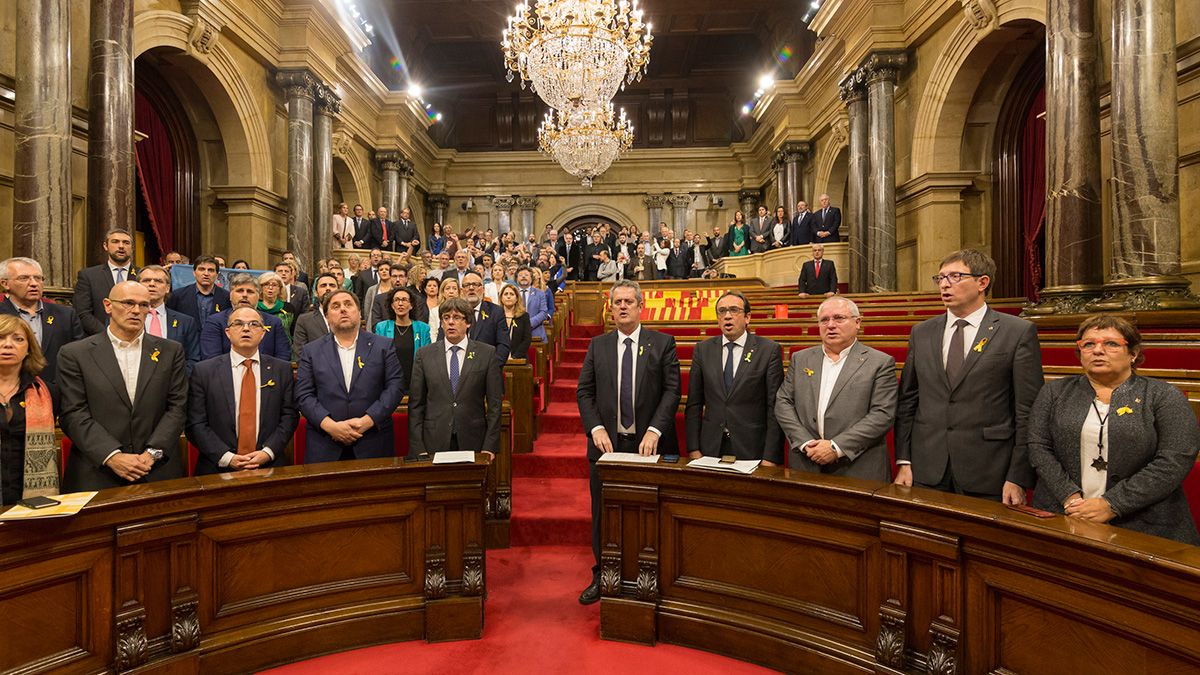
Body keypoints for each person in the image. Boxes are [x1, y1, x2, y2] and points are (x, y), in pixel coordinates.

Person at [1027, 315, 1200, 545]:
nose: (1098, 350)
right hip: (1064, 514)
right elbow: (1038, 447)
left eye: (1110, 343)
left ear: (1133, 353)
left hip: (1146, 523)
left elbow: (1174, 460)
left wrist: (1113, 504)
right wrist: (1069, 497)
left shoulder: (1163, 396)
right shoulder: (1055, 392)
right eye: (1088, 344)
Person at [894, 249, 1044, 504]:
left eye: (954, 276)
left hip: (988, 469)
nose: (944, 284)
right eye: (940, 278)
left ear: (982, 282)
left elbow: (1028, 410)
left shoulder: (1016, 332)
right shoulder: (922, 332)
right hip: (927, 467)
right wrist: (904, 460)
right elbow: (908, 401)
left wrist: (1018, 476)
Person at [576, 279, 680, 605]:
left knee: (648, 514)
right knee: (603, 514)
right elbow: (584, 392)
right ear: (611, 307)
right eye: (617, 302)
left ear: (640, 306)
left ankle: (648, 577)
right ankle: (602, 575)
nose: (622, 307)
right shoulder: (598, 346)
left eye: (628, 302)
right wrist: (595, 428)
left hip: (648, 445)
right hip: (606, 446)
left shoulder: (662, 344)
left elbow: (671, 391)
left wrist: (654, 430)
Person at [59, 281, 188, 490]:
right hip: (97, 471)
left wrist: (152, 453)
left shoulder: (171, 351)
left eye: (144, 305)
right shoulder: (75, 354)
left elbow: (177, 407)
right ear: (108, 306)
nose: (136, 311)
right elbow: (73, 413)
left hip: (156, 471)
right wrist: (112, 456)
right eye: (128, 303)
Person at [776, 296, 898, 480]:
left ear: (857, 322)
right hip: (806, 463)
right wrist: (805, 443)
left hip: (858, 467)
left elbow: (882, 414)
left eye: (839, 318)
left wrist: (835, 447)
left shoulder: (879, 362)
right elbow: (783, 402)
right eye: (824, 320)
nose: (831, 325)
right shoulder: (801, 358)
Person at [295, 290, 406, 462]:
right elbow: (303, 395)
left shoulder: (383, 346)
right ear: (327, 316)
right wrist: (330, 426)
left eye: (348, 304)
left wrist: (368, 421)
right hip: (325, 444)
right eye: (336, 306)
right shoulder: (311, 351)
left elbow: (395, 387)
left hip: (373, 442)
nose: (343, 310)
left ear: (359, 312)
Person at [186, 307, 299, 475]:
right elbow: (195, 422)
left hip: (270, 465)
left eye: (254, 324)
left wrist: (267, 453)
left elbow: (289, 416)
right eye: (238, 323)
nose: (246, 328)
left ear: (263, 333)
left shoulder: (281, 369)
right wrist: (226, 457)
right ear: (228, 332)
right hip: (216, 467)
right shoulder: (204, 371)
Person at [684, 291, 784, 464]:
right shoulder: (703, 350)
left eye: (734, 310)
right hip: (710, 448)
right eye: (722, 311)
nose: (727, 316)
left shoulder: (768, 350)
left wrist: (770, 457)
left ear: (747, 317)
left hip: (752, 449)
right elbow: (694, 403)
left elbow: (774, 407)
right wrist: (693, 449)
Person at [408, 298, 504, 457]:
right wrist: (418, 447)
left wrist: (490, 445)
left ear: (468, 323)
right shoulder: (424, 355)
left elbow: (495, 404)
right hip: (434, 439)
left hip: (474, 439)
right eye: (446, 318)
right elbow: (416, 405)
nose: (450, 322)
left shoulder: (486, 353)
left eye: (457, 317)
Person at [0, 315, 60, 505]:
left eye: (18, 339)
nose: (8, 345)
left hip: (28, 495)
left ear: (28, 348)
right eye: (0, 337)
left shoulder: (47, 392)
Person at [0, 256, 84, 387]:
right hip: (11, 392)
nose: (33, 283)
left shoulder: (66, 315)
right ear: (5, 284)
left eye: (38, 278)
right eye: (24, 278)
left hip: (58, 393)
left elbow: (79, 356)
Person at [199, 273, 290, 361]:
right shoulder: (215, 322)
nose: (245, 295)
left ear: (258, 296)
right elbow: (211, 359)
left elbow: (283, 356)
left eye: (250, 292)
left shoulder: (274, 322)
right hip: (225, 374)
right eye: (240, 291)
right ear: (230, 295)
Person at [73, 227, 137, 335]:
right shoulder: (89, 276)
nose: (121, 246)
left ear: (132, 248)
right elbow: (83, 313)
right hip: (100, 339)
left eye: (126, 243)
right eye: (115, 242)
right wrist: (108, 335)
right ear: (105, 246)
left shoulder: (143, 275)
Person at [136, 265, 201, 372]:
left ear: (167, 288)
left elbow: (193, 359)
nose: (152, 284)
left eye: (158, 281)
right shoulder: (127, 319)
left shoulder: (186, 322)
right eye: (146, 280)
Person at [374, 287, 431, 388]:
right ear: (392, 305)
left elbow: (427, 360)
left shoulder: (423, 328)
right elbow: (378, 358)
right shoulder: (382, 327)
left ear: (411, 305)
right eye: (396, 300)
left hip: (415, 383)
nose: (400, 304)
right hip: (390, 383)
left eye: (404, 300)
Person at [456, 273, 511, 363]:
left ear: (483, 289)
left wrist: (491, 368)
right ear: (461, 291)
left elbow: (503, 345)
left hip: (488, 369)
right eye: (467, 285)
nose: (471, 288)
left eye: (475, 284)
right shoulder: (452, 313)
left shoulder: (496, 312)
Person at [167, 255, 230, 327]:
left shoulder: (227, 297)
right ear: (194, 273)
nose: (206, 274)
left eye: (211, 270)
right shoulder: (178, 295)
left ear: (216, 275)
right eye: (201, 269)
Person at [292, 273, 341, 360]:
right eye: (323, 286)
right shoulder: (304, 320)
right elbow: (300, 354)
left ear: (339, 290)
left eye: (332, 285)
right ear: (315, 293)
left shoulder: (348, 317)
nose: (328, 288)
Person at [256, 271, 297, 339]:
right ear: (261, 288)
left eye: (274, 285)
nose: (270, 288)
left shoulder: (288, 308)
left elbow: (293, 332)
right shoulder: (254, 307)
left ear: (280, 289)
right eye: (266, 284)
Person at [498, 284, 532, 360]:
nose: (508, 296)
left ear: (517, 298)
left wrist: (514, 357)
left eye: (512, 294)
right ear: (501, 298)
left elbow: (527, 339)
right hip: (498, 359)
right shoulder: (495, 315)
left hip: (519, 358)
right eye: (506, 294)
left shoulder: (524, 316)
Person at [363, 260, 394, 331]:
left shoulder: (395, 290)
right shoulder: (371, 290)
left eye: (386, 269)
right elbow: (367, 311)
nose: (384, 271)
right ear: (378, 273)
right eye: (381, 270)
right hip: (374, 326)